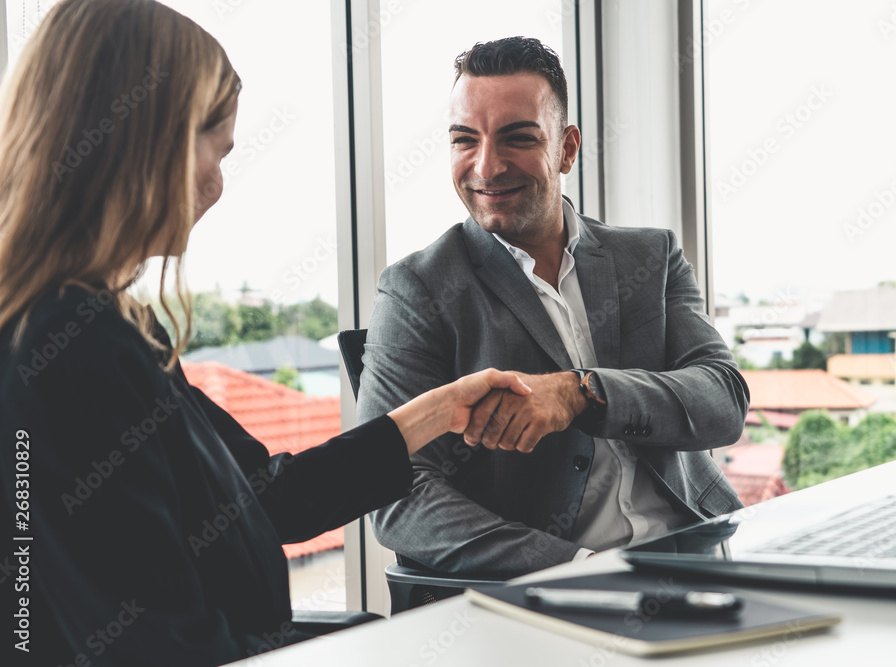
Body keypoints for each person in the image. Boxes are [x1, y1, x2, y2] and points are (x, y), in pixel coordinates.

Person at [0, 2, 531, 665]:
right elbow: (158, 646)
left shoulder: (99, 327)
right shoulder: (68, 350)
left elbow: (264, 495)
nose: (216, 186)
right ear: (144, 138)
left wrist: (439, 411)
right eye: (213, 151)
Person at [357, 37, 750, 578]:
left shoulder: (651, 256)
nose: (486, 167)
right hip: (556, 585)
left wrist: (581, 392)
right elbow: (397, 495)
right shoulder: (417, 290)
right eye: (464, 140)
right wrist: (575, 568)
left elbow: (723, 401)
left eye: (517, 138)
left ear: (567, 148)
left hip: (702, 548)